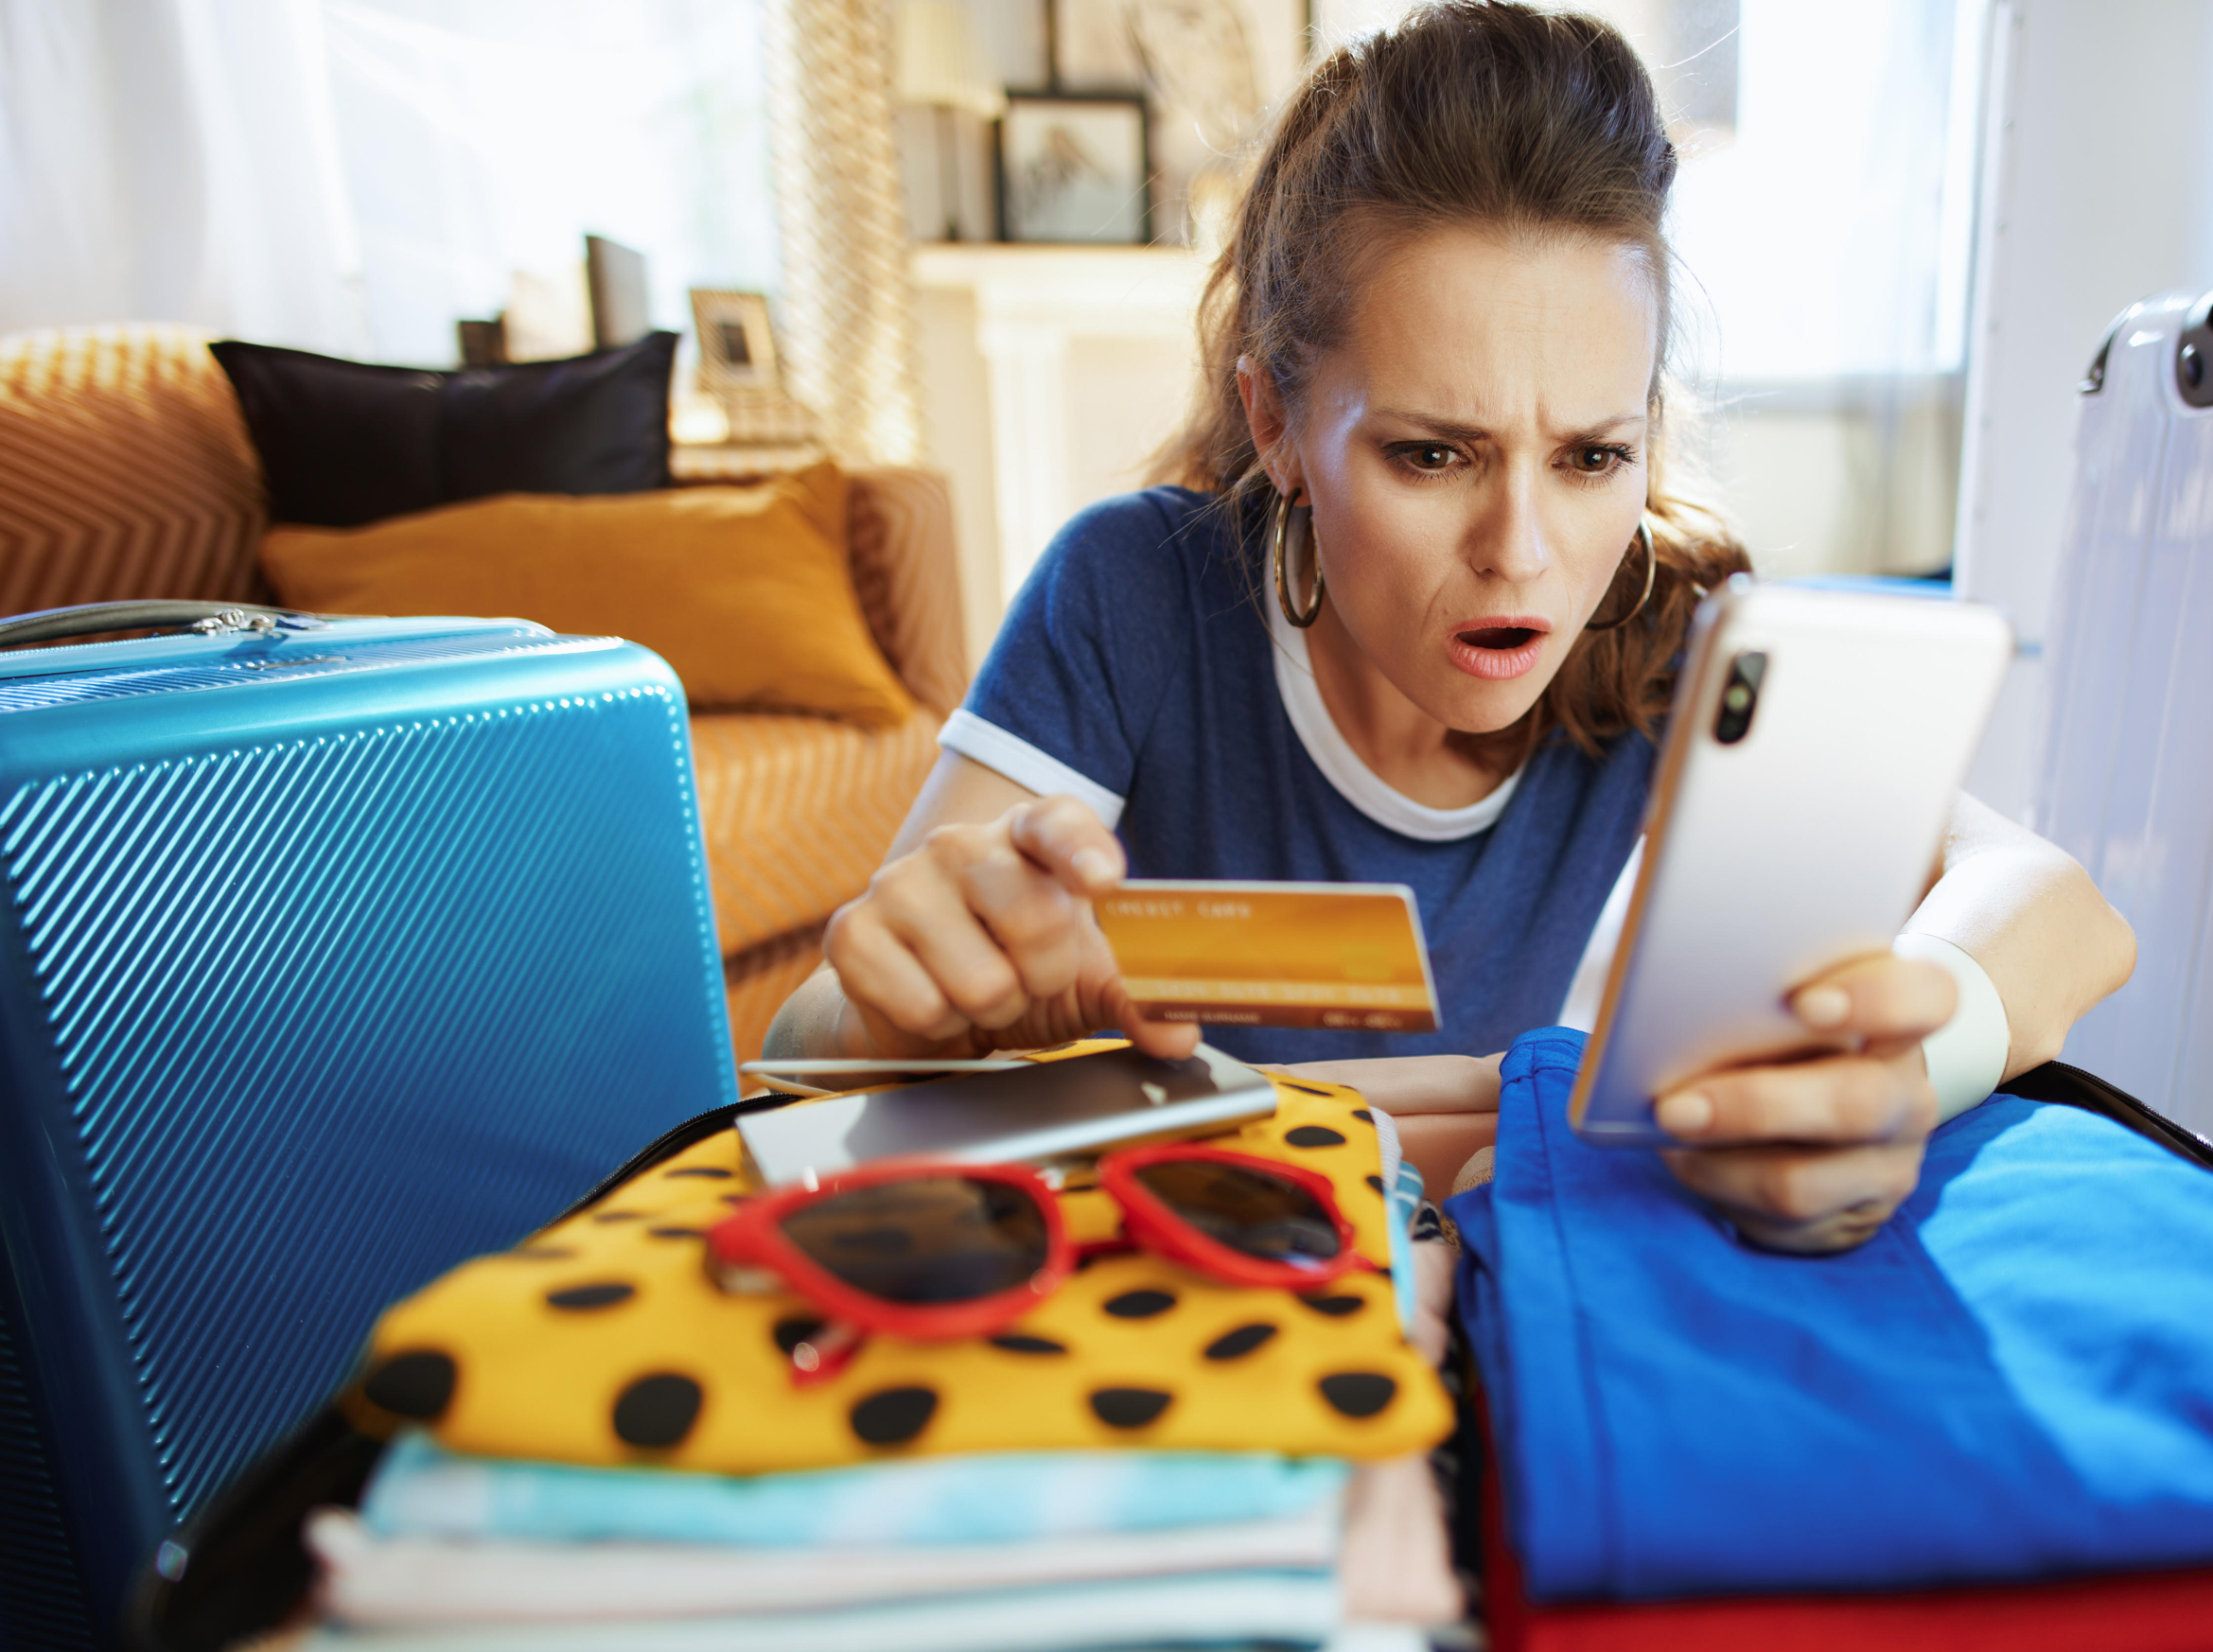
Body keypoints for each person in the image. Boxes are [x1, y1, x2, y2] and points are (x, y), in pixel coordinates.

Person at [767, 0, 2134, 1253]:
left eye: (1593, 459)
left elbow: (2065, 912)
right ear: (1276, 423)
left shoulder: (1675, 629)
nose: (1523, 556)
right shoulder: (1133, 592)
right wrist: (901, 997)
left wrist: (1910, 1053)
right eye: (1433, 456)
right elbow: (803, 1057)